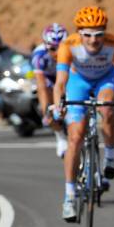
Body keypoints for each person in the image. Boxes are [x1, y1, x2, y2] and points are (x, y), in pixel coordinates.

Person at [53, 6, 114, 222]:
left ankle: (109, 158)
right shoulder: (68, 45)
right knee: (75, 137)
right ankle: (69, 197)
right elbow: (60, 82)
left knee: (107, 107)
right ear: (79, 33)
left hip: (105, 81)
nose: (93, 40)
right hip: (77, 82)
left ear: (105, 33)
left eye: (98, 34)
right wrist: (57, 105)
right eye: (87, 35)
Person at [32, 23, 69, 158]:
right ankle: (60, 137)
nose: (58, 53)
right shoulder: (39, 56)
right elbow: (41, 86)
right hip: (49, 79)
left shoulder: (73, 51)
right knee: (49, 111)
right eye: (53, 49)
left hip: (66, 77)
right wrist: (46, 111)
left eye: (61, 48)